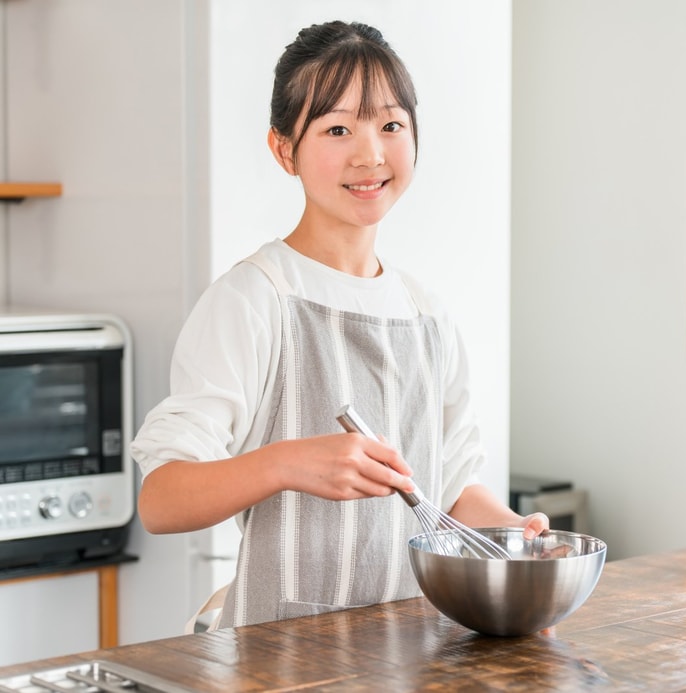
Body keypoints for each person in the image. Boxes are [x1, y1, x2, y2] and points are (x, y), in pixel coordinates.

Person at [131, 20, 548, 629]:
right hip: (282, 656)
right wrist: (287, 463)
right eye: (336, 129)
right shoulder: (256, 297)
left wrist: (514, 536)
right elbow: (161, 500)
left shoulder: (426, 312)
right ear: (283, 150)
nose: (370, 154)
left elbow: (452, 491)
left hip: (414, 649)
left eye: (390, 125)